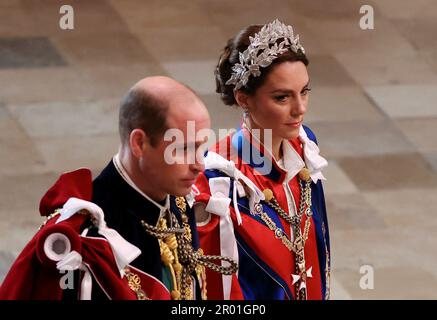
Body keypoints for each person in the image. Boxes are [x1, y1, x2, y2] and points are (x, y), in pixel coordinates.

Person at [0, 76, 236, 300]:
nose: (199, 164)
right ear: (139, 143)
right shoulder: (88, 242)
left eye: (201, 147)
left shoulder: (178, 199)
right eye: (183, 149)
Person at [194, 19, 331, 300]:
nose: (300, 109)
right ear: (244, 99)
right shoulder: (218, 182)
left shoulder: (305, 146)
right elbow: (217, 290)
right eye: (283, 98)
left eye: (304, 91)